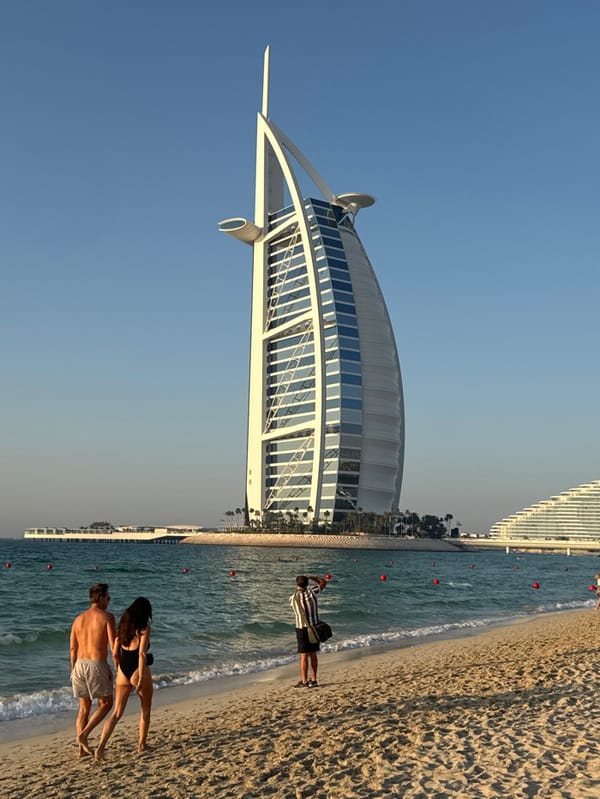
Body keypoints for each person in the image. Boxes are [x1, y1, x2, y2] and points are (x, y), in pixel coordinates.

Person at [95, 597, 154, 760]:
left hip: (122, 672)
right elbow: (141, 654)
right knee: (145, 709)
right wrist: (140, 677)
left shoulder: (122, 629)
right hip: (137, 670)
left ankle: (100, 747)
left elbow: (115, 653)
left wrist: (118, 668)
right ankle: (142, 745)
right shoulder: (144, 628)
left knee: (116, 713)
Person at [70, 583, 116, 757]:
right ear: (101, 597)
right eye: (108, 597)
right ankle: (84, 735)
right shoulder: (107, 617)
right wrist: (117, 667)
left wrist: (73, 669)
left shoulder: (78, 619)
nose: (109, 601)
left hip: (79, 665)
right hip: (96, 664)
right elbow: (113, 646)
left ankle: (82, 750)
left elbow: (73, 649)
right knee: (106, 704)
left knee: (84, 708)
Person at [289, 574, 327, 688]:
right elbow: (323, 582)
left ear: (297, 584)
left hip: (302, 628)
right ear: (307, 584)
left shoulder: (293, 598)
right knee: (313, 654)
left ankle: (304, 681)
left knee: (303, 655)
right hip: (314, 627)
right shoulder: (312, 592)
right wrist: (311, 577)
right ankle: (314, 680)